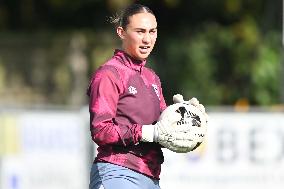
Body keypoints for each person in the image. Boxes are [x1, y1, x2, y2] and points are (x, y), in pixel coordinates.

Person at [87, 3, 207, 189]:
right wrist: (144, 132)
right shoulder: (109, 74)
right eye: (140, 31)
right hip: (116, 172)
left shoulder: (152, 78)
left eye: (152, 31)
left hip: (151, 178)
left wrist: (185, 119)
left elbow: (163, 133)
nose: (147, 39)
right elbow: (101, 131)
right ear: (121, 32)